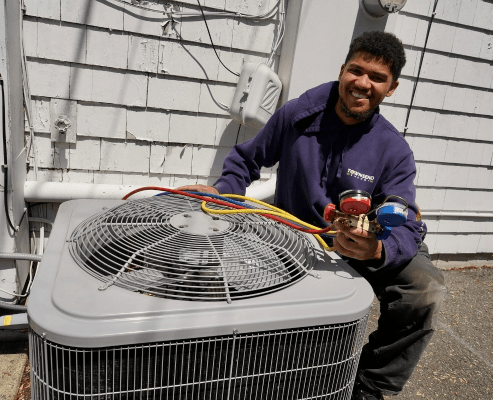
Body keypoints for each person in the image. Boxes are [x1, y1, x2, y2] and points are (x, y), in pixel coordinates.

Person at [179, 31, 447, 400]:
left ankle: (368, 389)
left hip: (364, 244)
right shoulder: (297, 114)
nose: (363, 84)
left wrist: (376, 250)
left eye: (377, 78)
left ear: (392, 87)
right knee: (220, 273)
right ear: (342, 70)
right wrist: (225, 195)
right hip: (297, 237)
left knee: (424, 289)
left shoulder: (394, 149)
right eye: (357, 70)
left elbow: (407, 218)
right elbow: (245, 160)